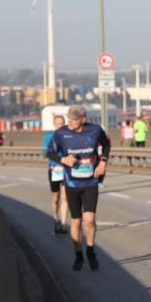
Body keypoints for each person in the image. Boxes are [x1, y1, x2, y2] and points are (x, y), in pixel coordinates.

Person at [46, 105, 111, 271]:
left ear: (83, 119)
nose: (70, 121)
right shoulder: (61, 133)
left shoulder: (95, 130)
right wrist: (63, 160)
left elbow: (106, 144)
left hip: (90, 183)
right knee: (76, 221)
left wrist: (103, 161)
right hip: (71, 183)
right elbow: (50, 152)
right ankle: (79, 254)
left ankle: (90, 250)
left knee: (89, 219)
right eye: (69, 118)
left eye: (74, 119)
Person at [42, 114, 69, 235]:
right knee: (55, 198)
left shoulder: (69, 136)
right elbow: (44, 153)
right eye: (58, 124)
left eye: (62, 123)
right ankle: (56, 220)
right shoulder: (49, 136)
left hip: (66, 169)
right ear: (54, 125)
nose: (60, 125)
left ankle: (63, 224)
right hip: (54, 169)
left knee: (65, 198)